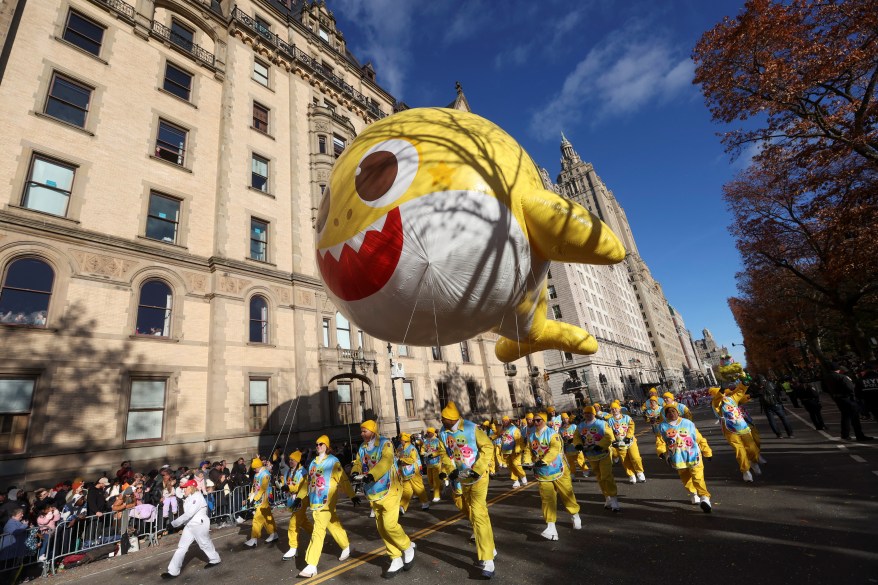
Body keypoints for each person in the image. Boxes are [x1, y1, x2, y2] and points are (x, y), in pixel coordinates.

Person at [438, 401, 496, 578]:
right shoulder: (442, 432)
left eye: (443, 418)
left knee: (478, 514)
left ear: (450, 419)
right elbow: (444, 454)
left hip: (478, 477)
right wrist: (451, 470)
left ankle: (487, 560)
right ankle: (490, 549)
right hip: (462, 478)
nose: (440, 420)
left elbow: (488, 447)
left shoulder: (472, 428)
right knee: (475, 512)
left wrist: (477, 469)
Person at [352, 420, 415, 578]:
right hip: (373, 493)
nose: (362, 434)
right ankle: (395, 557)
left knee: (390, 525)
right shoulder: (362, 447)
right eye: (361, 431)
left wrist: (372, 475)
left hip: (390, 490)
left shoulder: (385, 444)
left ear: (373, 431)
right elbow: (359, 462)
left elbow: (386, 460)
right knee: (381, 528)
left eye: (365, 431)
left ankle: (407, 547)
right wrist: (354, 471)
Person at [293, 436, 360, 578]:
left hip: (327, 500)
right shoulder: (312, 463)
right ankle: (346, 546)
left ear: (327, 446)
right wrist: (299, 497)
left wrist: (352, 494)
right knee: (332, 523)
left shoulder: (333, 461)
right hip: (315, 501)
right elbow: (307, 483)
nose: (318, 446)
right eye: (316, 444)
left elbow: (342, 479)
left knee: (318, 530)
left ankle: (311, 565)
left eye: (321, 444)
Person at [528, 411, 581, 541]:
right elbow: (527, 450)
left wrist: (545, 461)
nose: (536, 423)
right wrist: (525, 461)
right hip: (542, 473)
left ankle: (575, 514)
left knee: (566, 494)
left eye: (538, 420)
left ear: (544, 421)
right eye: (534, 420)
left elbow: (554, 449)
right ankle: (551, 526)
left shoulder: (552, 434)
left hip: (558, 470)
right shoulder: (531, 436)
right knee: (547, 499)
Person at [656, 403, 714, 512]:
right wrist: (661, 452)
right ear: (665, 414)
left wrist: (707, 451)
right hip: (677, 459)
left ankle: (705, 498)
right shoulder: (662, 427)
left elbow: (699, 438)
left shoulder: (688, 423)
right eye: (668, 412)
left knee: (698, 478)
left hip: (693, 455)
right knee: (686, 478)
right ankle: (693, 493)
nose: (671, 413)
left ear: (678, 412)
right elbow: (660, 442)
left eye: (673, 411)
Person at [161, 479, 221, 579]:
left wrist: (174, 524)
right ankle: (173, 571)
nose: (184, 490)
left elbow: (189, 514)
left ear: (191, 487)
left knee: (204, 544)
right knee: (182, 547)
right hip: (190, 526)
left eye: (186, 488)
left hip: (199, 524)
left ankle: (215, 559)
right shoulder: (189, 497)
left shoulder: (197, 497)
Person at [712, 384, 762, 482]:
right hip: (730, 430)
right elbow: (717, 400)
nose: (724, 394)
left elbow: (740, 393)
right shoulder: (716, 403)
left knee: (752, 448)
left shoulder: (731, 399)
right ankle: (745, 471)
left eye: (724, 392)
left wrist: (744, 384)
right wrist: (720, 393)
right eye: (722, 392)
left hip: (742, 427)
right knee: (740, 451)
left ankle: (754, 462)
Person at [576, 405, 620, 511]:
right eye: (585, 413)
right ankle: (607, 497)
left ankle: (613, 498)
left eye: (589, 413)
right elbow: (576, 437)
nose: (587, 415)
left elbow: (609, 436)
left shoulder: (602, 424)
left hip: (603, 453)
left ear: (594, 414)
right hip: (591, 456)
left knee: (606, 476)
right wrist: (578, 444)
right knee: (600, 477)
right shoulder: (581, 426)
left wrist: (600, 445)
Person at [824, 363, 873, 441]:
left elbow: (825, 389)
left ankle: (845, 434)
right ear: (838, 369)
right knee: (855, 418)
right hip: (847, 398)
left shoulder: (827, 378)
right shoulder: (842, 377)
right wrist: (854, 397)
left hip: (838, 398)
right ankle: (859, 435)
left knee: (845, 416)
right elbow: (850, 388)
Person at [280, 450, 313, 560]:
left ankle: (293, 548)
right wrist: (282, 486)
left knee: (293, 524)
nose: (290, 461)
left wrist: (289, 488)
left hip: (301, 500)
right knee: (303, 521)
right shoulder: (288, 471)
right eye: (289, 459)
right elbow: (286, 483)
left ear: (298, 461)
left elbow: (300, 486)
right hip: (292, 499)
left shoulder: (303, 472)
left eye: (293, 460)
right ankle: (316, 535)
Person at [608, 401, 646, 484]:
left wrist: (628, 436)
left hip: (630, 441)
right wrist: (613, 441)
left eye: (616, 408)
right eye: (612, 409)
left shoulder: (627, 417)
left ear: (619, 409)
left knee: (635, 457)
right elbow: (609, 432)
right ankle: (631, 475)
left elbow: (631, 427)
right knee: (625, 460)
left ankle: (639, 472)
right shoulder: (610, 421)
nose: (614, 410)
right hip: (620, 443)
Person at [243, 457, 279, 547]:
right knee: (267, 518)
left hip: (264, 499)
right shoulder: (256, 474)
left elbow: (263, 489)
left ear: (258, 466)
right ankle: (273, 534)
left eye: (255, 468)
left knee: (257, 518)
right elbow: (254, 487)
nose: (254, 470)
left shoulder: (265, 474)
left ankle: (253, 539)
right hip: (258, 499)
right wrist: (250, 497)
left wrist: (254, 499)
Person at [397, 433, 430, 513]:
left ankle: (425, 503)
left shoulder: (412, 448)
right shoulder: (399, 447)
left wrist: (402, 460)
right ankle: (402, 506)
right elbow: (397, 455)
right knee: (406, 490)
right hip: (404, 471)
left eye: (401, 439)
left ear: (405, 440)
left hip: (414, 470)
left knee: (418, 487)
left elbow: (413, 459)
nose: (400, 440)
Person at [498, 416, 528, 487]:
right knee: (510, 466)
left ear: (509, 421)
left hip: (515, 450)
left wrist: (517, 448)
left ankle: (523, 476)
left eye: (506, 420)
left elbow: (519, 440)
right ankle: (515, 481)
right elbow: (498, 435)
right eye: (503, 421)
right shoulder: (502, 429)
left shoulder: (514, 429)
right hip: (506, 451)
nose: (504, 422)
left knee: (516, 464)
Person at [420, 428, 444, 502]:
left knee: (436, 480)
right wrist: (423, 453)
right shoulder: (426, 441)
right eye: (427, 432)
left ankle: (437, 495)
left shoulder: (438, 441)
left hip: (436, 463)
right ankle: (441, 486)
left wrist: (433, 454)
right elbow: (422, 449)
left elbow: (441, 450)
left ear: (433, 433)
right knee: (430, 480)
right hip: (428, 463)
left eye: (430, 432)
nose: (428, 433)